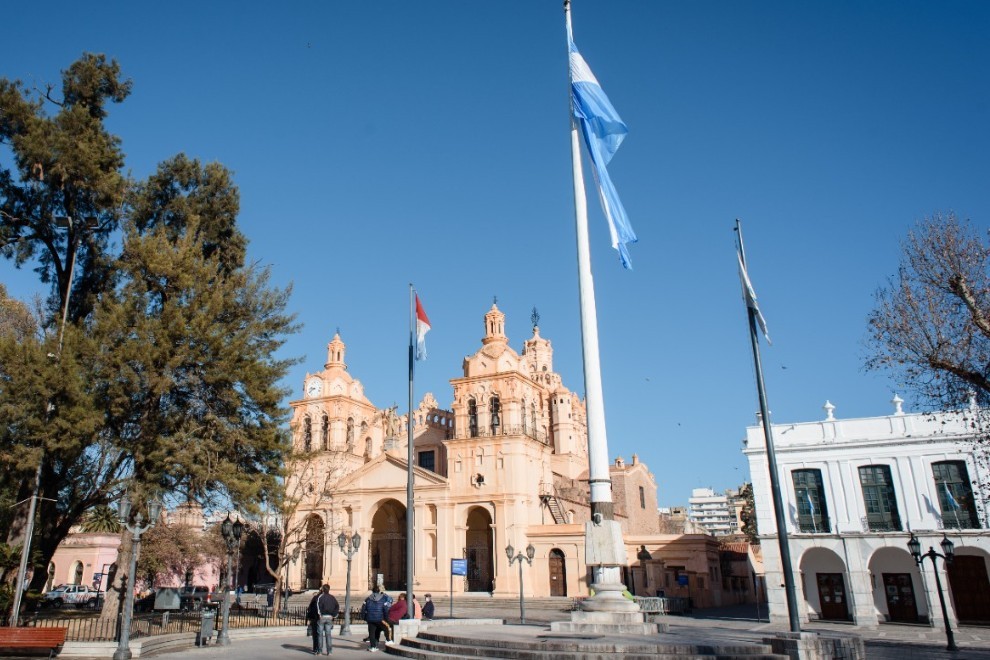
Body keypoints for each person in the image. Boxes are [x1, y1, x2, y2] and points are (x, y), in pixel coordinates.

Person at [360, 586, 390, 653]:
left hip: (370, 618)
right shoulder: (383, 598)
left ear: (372, 591)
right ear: (379, 591)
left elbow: (363, 609)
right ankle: (388, 640)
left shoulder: (367, 599)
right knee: (386, 628)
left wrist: (364, 617)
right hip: (380, 618)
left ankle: (373, 647)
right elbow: (385, 609)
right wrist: (386, 618)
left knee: (371, 633)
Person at [316, 584, 340, 655]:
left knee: (320, 635)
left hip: (322, 617)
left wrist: (319, 614)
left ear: (323, 589)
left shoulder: (320, 597)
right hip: (330, 617)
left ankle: (320, 651)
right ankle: (329, 651)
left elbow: (318, 606)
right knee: (328, 635)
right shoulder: (332, 597)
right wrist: (334, 615)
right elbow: (337, 606)